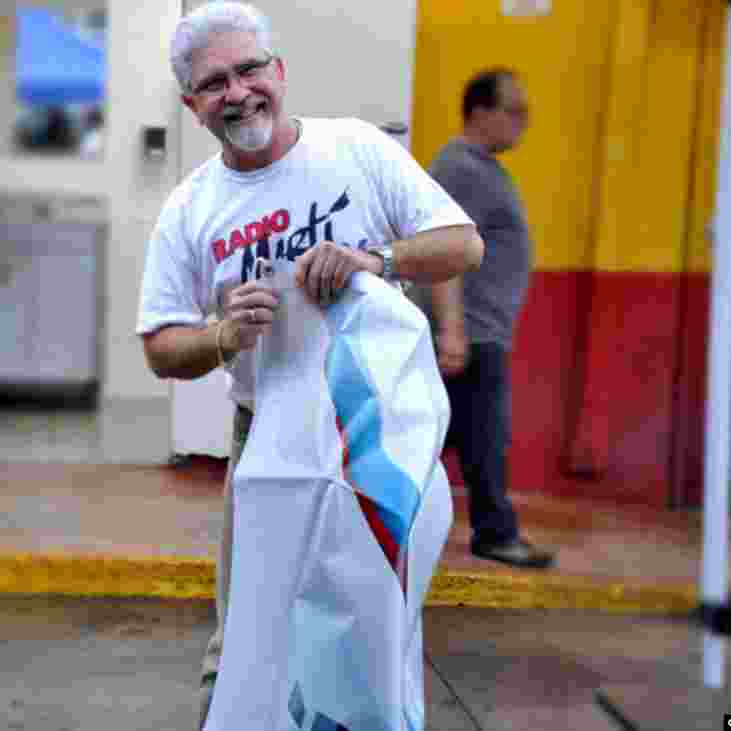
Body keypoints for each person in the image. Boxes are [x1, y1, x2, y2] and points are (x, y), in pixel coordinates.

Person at [135, 3, 484, 727]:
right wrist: (224, 337)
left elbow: (462, 243)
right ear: (192, 106)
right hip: (266, 437)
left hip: (373, 434)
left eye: (249, 69)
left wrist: (376, 258)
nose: (237, 92)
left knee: (373, 617)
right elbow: (162, 346)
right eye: (214, 83)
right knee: (249, 631)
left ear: (279, 72)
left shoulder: (354, 148)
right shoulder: (190, 208)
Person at [425, 68, 556, 570]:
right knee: (482, 437)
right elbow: (443, 252)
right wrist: (453, 331)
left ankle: (489, 527)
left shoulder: (479, 168)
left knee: (459, 436)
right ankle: (495, 531)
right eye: (515, 111)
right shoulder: (461, 169)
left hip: (480, 330)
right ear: (480, 113)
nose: (524, 123)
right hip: (472, 333)